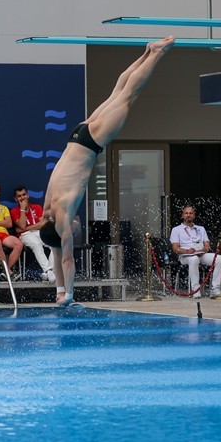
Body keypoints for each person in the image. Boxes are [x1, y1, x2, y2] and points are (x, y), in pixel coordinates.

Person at [41, 36, 175, 304]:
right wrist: (57, 291)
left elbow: (66, 259)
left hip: (91, 143)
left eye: (72, 232)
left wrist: (68, 295)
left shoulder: (64, 217)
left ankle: (157, 54)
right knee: (117, 91)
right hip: (77, 136)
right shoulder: (48, 214)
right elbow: (55, 251)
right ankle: (147, 51)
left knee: (128, 96)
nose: (76, 228)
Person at [170, 205, 221, 298]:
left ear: (194, 215)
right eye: (186, 213)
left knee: (218, 258)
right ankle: (195, 288)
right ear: (182, 215)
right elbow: (175, 248)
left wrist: (204, 249)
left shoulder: (201, 228)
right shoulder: (176, 230)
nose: (188, 215)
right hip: (185, 256)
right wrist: (187, 251)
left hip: (200, 254)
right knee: (194, 259)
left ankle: (215, 287)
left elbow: (207, 244)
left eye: (190, 213)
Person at [11, 185, 56, 281]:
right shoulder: (14, 211)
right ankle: (49, 271)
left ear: (28, 195)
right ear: (15, 199)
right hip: (25, 235)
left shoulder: (37, 207)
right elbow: (22, 225)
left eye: (24, 195)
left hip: (39, 232)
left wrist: (24, 229)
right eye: (19, 196)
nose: (23, 198)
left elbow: (42, 224)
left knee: (54, 244)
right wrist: (22, 209)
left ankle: (48, 271)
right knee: (36, 244)